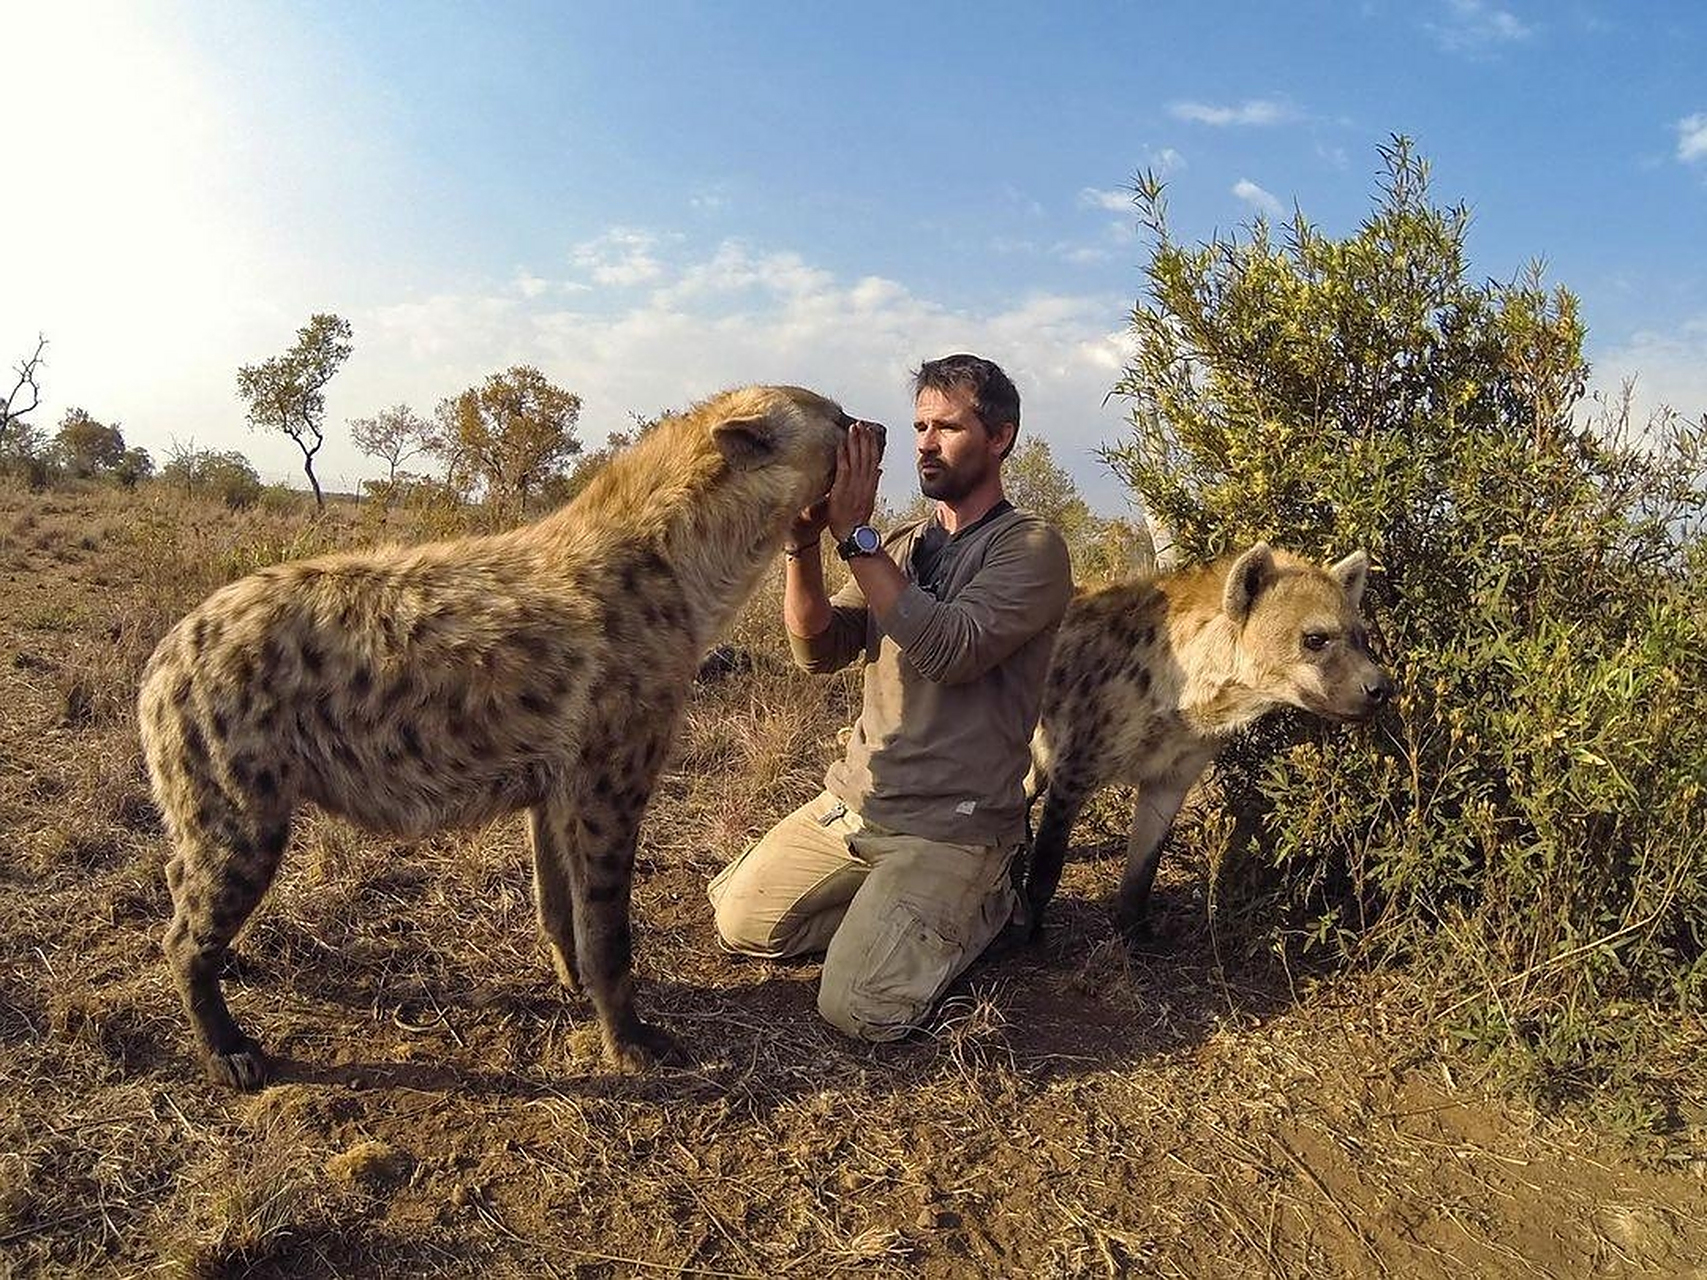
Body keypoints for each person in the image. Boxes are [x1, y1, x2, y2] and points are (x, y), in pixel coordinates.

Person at [708, 353, 1073, 1040]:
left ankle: (985, 902)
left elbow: (950, 651)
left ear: (1000, 437)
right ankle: (893, 916)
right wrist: (802, 547)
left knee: (859, 1008)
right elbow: (819, 649)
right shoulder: (899, 546)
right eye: (919, 427)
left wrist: (854, 537)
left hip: (951, 826)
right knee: (740, 923)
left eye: (948, 428)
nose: (926, 445)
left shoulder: (1030, 549)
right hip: (858, 804)